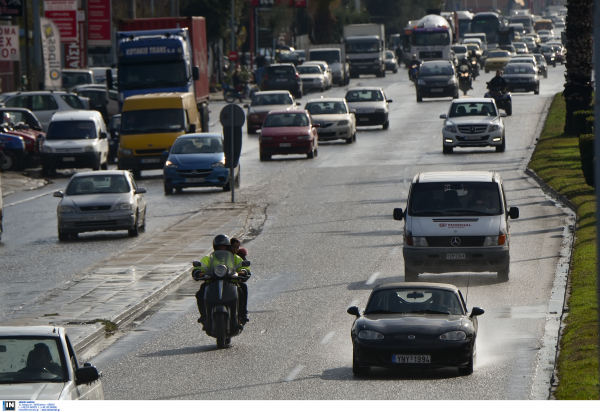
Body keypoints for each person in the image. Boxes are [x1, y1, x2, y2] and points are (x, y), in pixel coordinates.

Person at [193, 235, 250, 329]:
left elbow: (243, 267)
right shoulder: (208, 258)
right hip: (212, 282)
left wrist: (242, 272)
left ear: (228, 246)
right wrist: (199, 273)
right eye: (220, 246)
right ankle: (204, 317)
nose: (222, 248)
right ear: (215, 247)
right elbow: (200, 267)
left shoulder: (235, 258)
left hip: (231, 282)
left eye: (224, 246)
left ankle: (241, 316)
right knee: (200, 293)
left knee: (242, 289)